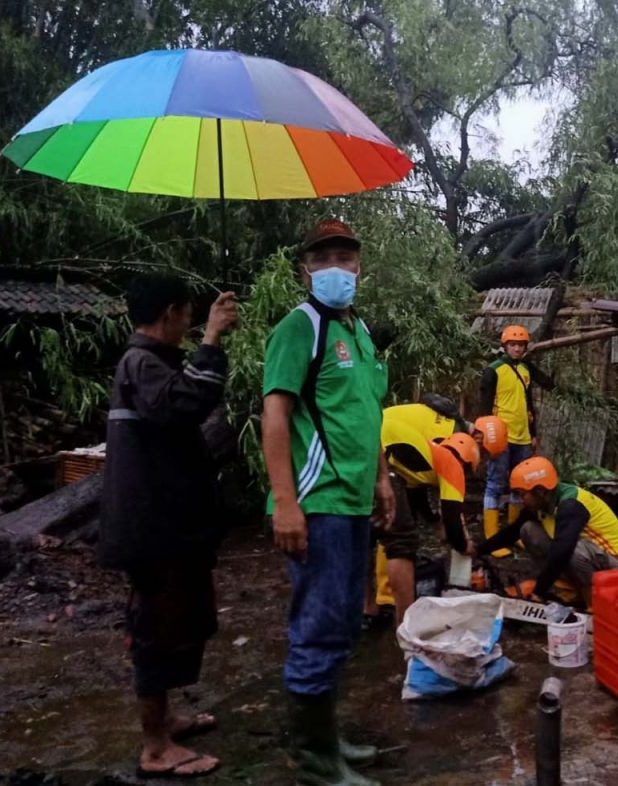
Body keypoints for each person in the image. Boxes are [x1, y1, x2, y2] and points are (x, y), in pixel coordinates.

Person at [261, 218, 394, 786]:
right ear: (306, 269)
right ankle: (314, 757)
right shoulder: (300, 328)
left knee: (341, 619)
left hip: (355, 499)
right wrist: (285, 503)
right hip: (317, 500)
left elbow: (368, 413)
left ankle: (326, 738)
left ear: (359, 266)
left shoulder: (359, 332)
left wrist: (384, 479)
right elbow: (275, 417)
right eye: (324, 258)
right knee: (318, 622)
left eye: (346, 256)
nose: (337, 267)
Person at [98, 274, 238, 779]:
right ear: (170, 314)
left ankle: (166, 721)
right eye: (187, 313)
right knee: (157, 630)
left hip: (172, 527)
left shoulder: (152, 363)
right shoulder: (141, 363)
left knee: (183, 621)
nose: (190, 321)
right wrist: (213, 339)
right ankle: (155, 747)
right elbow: (184, 405)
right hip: (153, 531)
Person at [377, 412, 508, 625]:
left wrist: (436, 523)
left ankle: (373, 607)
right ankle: (401, 619)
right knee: (402, 539)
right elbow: (452, 516)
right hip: (378, 448)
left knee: (377, 530)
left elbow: (420, 499)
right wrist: (464, 545)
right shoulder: (452, 464)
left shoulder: (434, 451)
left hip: (377, 441)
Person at [471, 456, 618, 607]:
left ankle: (595, 604)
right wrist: (478, 550)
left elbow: (561, 552)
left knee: (572, 551)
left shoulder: (571, 505)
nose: (520, 500)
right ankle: (571, 593)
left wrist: (539, 591)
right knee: (527, 530)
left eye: (523, 494)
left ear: (540, 491)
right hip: (593, 563)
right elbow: (512, 532)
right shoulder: (541, 503)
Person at [479, 324, 554, 556]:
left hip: (522, 436)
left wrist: (533, 434)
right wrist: (486, 436)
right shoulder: (494, 370)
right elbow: (483, 407)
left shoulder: (526, 368)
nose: (517, 349)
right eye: (513, 345)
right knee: (495, 484)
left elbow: (530, 404)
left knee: (519, 486)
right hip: (500, 436)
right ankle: (492, 538)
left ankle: (515, 535)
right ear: (505, 346)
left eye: (521, 345)